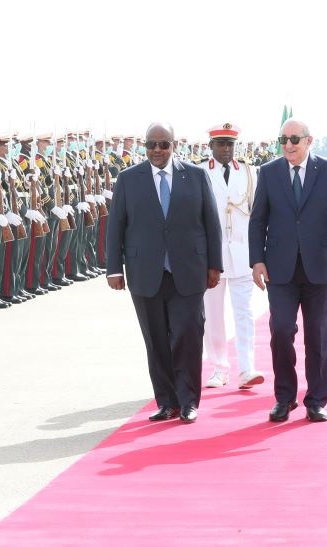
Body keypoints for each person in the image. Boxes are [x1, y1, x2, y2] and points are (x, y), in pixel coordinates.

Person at [106, 122, 223, 424]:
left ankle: (188, 402)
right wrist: (113, 269)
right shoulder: (128, 179)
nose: (157, 150)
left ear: (174, 145)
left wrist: (214, 265)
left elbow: (211, 222)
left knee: (188, 335)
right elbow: (115, 226)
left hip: (188, 271)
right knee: (156, 341)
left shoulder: (195, 176)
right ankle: (167, 402)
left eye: (163, 144)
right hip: (145, 273)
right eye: (151, 145)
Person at [248, 118, 327, 423]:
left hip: (320, 268)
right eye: (283, 140)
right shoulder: (269, 173)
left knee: (318, 337)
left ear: (309, 141)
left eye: (294, 139)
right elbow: (258, 220)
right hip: (280, 270)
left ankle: (316, 400)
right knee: (281, 331)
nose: (288, 145)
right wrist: (256, 260)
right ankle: (284, 398)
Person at [201, 122, 264, 391]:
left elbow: (258, 215)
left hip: (242, 253)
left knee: (245, 313)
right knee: (213, 315)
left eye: (230, 144)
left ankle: (247, 368)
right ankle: (219, 367)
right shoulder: (200, 172)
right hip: (211, 257)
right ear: (211, 146)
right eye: (221, 144)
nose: (226, 149)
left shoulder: (249, 172)